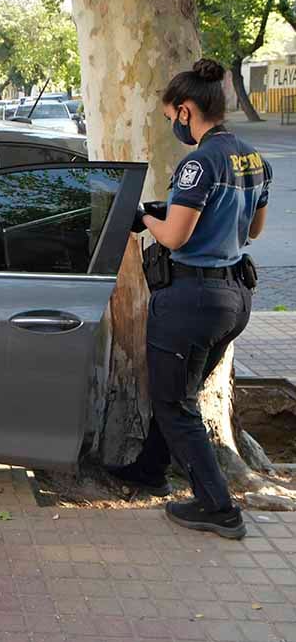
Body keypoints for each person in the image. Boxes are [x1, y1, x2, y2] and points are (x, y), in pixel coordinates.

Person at [110, 58, 270, 540]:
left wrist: (143, 218)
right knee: (179, 394)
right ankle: (148, 469)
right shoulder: (251, 157)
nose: (171, 126)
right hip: (234, 299)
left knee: (171, 401)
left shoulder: (199, 161)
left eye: (169, 118)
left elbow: (176, 238)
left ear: (185, 111)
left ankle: (219, 507)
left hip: (192, 299)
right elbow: (254, 229)